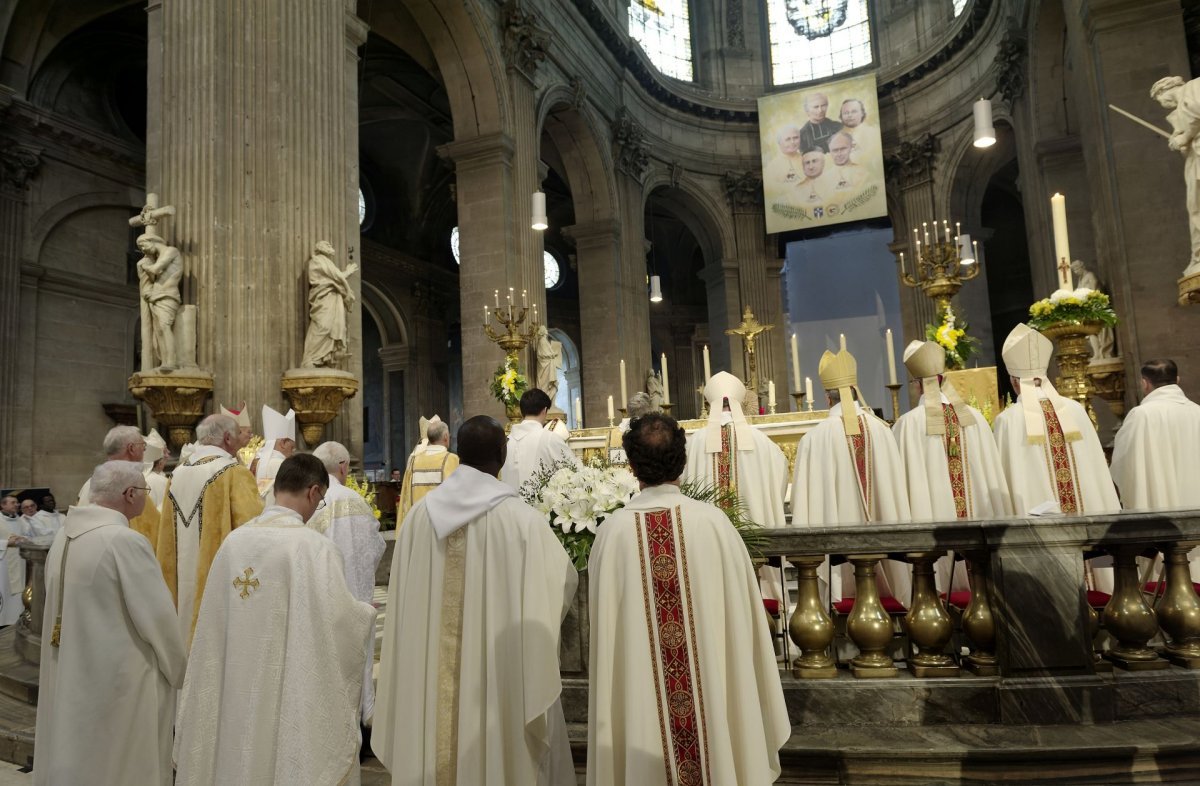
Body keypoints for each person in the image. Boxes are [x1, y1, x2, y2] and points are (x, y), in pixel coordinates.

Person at [588, 414, 790, 785]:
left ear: (631, 466)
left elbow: (607, 646)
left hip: (639, 722)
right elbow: (744, 624)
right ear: (682, 462)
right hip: (713, 722)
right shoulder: (714, 525)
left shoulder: (611, 535)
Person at [374, 416, 577, 784]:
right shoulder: (521, 521)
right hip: (498, 683)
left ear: (458, 454)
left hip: (429, 682)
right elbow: (559, 585)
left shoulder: (419, 518)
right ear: (501, 454)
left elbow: (402, 606)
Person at [174, 454, 376, 784]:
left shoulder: (233, 543)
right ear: (313, 492)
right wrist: (365, 615)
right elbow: (340, 627)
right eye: (320, 500)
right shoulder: (314, 548)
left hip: (233, 693)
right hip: (283, 692)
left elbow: (210, 631)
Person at [34, 461, 186, 786]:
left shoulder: (64, 536)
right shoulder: (124, 542)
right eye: (144, 491)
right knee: (123, 763)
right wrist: (180, 669)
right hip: (122, 686)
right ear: (130, 494)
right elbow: (158, 621)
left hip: (80, 673)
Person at [792, 348, 913, 607]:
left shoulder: (814, 439)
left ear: (827, 397)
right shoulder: (883, 431)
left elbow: (803, 508)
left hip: (838, 559)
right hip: (889, 550)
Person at [892, 341, 1012, 592]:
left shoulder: (908, 424)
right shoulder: (975, 418)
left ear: (918, 384)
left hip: (933, 539)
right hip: (980, 534)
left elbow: (900, 486)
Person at [157, 413, 263, 645]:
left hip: (178, 577)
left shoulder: (177, 473)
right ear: (227, 438)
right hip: (219, 577)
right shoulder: (233, 472)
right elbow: (254, 528)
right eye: (236, 435)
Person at [310, 440, 387, 754]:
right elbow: (376, 548)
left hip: (321, 596)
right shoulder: (356, 501)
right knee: (360, 662)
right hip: (356, 596)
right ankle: (362, 732)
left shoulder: (310, 500)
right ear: (343, 467)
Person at [1110, 359, 1200, 580]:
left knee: (1168, 582)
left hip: (1160, 514)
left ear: (1144, 383)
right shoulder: (1198, 412)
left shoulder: (1141, 415)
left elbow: (1121, 467)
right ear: (1177, 380)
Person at [685, 372, 789, 530]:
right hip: (755, 532)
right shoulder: (760, 440)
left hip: (708, 533)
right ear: (738, 403)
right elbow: (781, 471)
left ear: (710, 404)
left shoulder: (695, 442)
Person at [76, 425, 161, 545]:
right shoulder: (128, 486)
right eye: (143, 446)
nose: (144, 451)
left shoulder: (91, 484)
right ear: (131, 448)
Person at [1150, 76, 1200, 276]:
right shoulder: (1178, 110)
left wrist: (1184, 137)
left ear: (1164, 90)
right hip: (1195, 159)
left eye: (1159, 100)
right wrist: (1179, 141)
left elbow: (1197, 113)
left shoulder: (1194, 87)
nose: (1163, 105)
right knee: (1194, 205)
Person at [500, 388, 580, 492]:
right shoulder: (549, 438)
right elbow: (575, 471)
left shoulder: (507, 441)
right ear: (544, 410)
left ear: (521, 411)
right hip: (539, 507)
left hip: (510, 505)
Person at [299, 240, 358, 368]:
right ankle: (310, 358)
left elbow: (336, 277)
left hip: (333, 296)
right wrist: (345, 278)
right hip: (323, 297)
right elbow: (335, 277)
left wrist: (347, 273)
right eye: (327, 245)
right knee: (323, 326)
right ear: (319, 247)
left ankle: (327, 356)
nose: (330, 246)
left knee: (335, 325)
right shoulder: (317, 260)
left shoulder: (328, 262)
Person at [396, 418, 459, 524]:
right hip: (441, 525)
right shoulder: (451, 459)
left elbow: (406, 498)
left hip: (417, 523)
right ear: (446, 437)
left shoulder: (413, 460)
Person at [135, 233, 183, 371]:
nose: (143, 250)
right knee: (159, 332)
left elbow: (156, 270)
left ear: (151, 241)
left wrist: (144, 265)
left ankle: (172, 362)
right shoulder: (157, 258)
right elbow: (152, 276)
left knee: (165, 326)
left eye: (143, 246)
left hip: (168, 295)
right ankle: (165, 362)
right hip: (157, 296)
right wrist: (142, 269)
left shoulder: (171, 251)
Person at [256, 404, 297, 504]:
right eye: (292, 447)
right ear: (282, 443)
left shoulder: (259, 463)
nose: (292, 453)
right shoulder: (283, 465)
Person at [0, 496, 26, 626]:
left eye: (17, 502)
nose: (17, 504)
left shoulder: (20, 520)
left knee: (18, 594)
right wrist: (6, 543)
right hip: (3, 564)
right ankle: (3, 621)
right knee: (4, 591)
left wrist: (23, 539)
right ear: (3, 505)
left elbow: (27, 535)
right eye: (13, 502)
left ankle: (16, 620)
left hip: (20, 561)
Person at [838, 97, 881, 164]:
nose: (850, 115)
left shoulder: (873, 132)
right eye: (846, 113)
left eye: (854, 111)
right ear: (841, 116)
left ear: (862, 113)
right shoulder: (837, 137)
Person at [143, 428, 170, 507]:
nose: (168, 456)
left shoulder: (141, 478)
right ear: (159, 462)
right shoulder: (159, 481)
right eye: (164, 452)